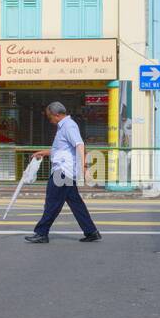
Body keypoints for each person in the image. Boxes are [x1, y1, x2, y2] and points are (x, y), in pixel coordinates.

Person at [25, 102, 101, 243]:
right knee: (76, 203)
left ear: (57, 115)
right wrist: (45, 153)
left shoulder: (69, 126)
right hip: (65, 172)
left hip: (63, 172)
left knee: (52, 202)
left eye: (49, 117)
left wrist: (84, 168)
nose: (50, 120)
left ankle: (41, 233)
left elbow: (80, 145)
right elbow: (62, 149)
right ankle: (91, 232)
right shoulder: (64, 127)